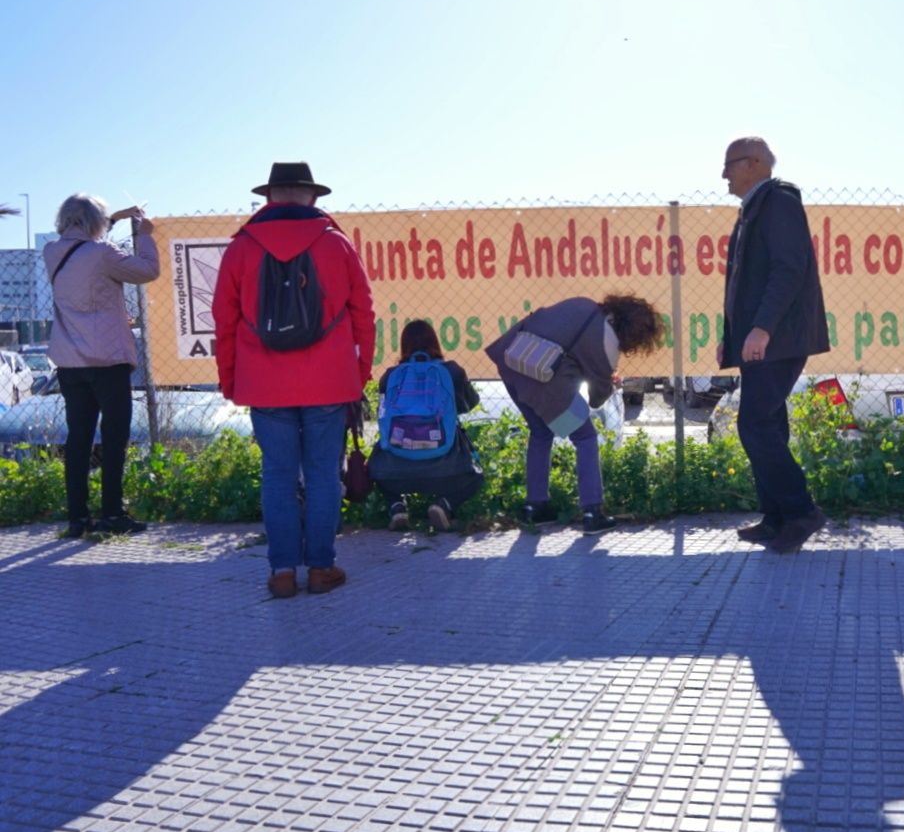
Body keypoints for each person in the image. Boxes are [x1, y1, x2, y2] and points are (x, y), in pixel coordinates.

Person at [212, 163, 375, 598]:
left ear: (269, 198)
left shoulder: (241, 248)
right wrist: (358, 374)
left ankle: (282, 572)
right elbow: (364, 313)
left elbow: (224, 321)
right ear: (312, 198)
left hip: (264, 383)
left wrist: (230, 380)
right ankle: (321, 568)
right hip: (329, 380)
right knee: (323, 474)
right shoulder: (336, 244)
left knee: (278, 475)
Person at [718, 136, 830, 553]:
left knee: (754, 425)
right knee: (770, 425)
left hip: (777, 339)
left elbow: (788, 269)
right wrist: (731, 337)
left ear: (755, 164)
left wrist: (762, 328)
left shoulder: (778, 201)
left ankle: (801, 512)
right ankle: (777, 517)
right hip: (763, 340)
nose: (723, 174)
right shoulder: (753, 208)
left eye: (729, 164)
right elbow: (742, 285)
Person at [485, 293, 664, 534]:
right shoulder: (608, 344)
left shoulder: (582, 304)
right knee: (585, 437)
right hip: (542, 376)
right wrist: (611, 382)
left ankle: (535, 507)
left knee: (540, 432)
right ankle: (592, 512)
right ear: (634, 335)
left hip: (512, 361)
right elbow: (597, 398)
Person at [43, 195, 161, 538]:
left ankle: (77, 518)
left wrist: (114, 219)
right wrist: (144, 235)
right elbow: (148, 272)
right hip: (107, 360)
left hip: (69, 361)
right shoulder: (105, 255)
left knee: (78, 438)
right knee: (114, 437)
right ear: (97, 220)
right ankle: (112, 512)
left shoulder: (52, 252)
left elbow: (82, 242)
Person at [376, 319, 480, 531]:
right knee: (476, 475)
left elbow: (382, 415)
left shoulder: (389, 377)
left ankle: (397, 507)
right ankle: (444, 504)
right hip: (447, 467)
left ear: (403, 345)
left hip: (395, 470)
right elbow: (470, 403)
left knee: (377, 464)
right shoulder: (452, 372)